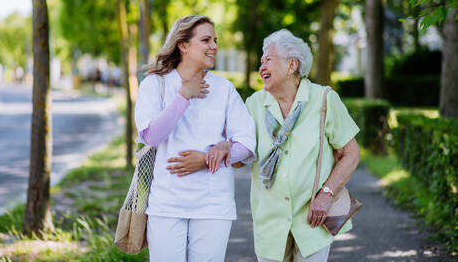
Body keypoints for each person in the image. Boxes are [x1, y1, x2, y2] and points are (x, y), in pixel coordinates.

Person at [134, 15, 256, 262]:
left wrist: (214, 155)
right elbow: (152, 136)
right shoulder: (154, 84)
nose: (214, 46)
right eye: (206, 40)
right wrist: (184, 95)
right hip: (166, 203)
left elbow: (246, 141)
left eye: (215, 40)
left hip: (213, 204)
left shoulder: (223, 88)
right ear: (183, 45)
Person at [233, 29, 360, 262]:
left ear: (292, 65)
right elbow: (240, 158)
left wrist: (327, 194)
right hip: (269, 222)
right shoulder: (254, 104)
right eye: (261, 61)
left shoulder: (324, 99)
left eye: (268, 60)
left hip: (313, 219)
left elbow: (351, 153)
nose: (261, 67)